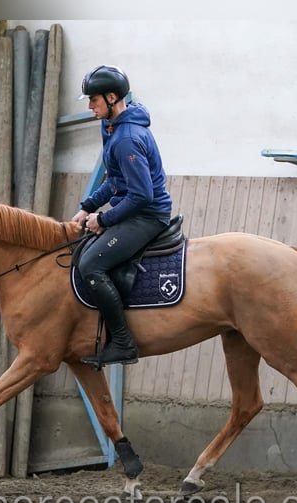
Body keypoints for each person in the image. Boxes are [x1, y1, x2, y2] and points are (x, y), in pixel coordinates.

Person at [71, 65, 173, 366]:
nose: (90, 106)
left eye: (93, 100)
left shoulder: (127, 138)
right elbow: (115, 180)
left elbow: (142, 195)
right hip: (134, 209)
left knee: (90, 265)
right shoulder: (111, 127)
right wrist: (88, 206)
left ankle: (123, 343)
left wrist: (104, 219)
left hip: (148, 216)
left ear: (112, 97)